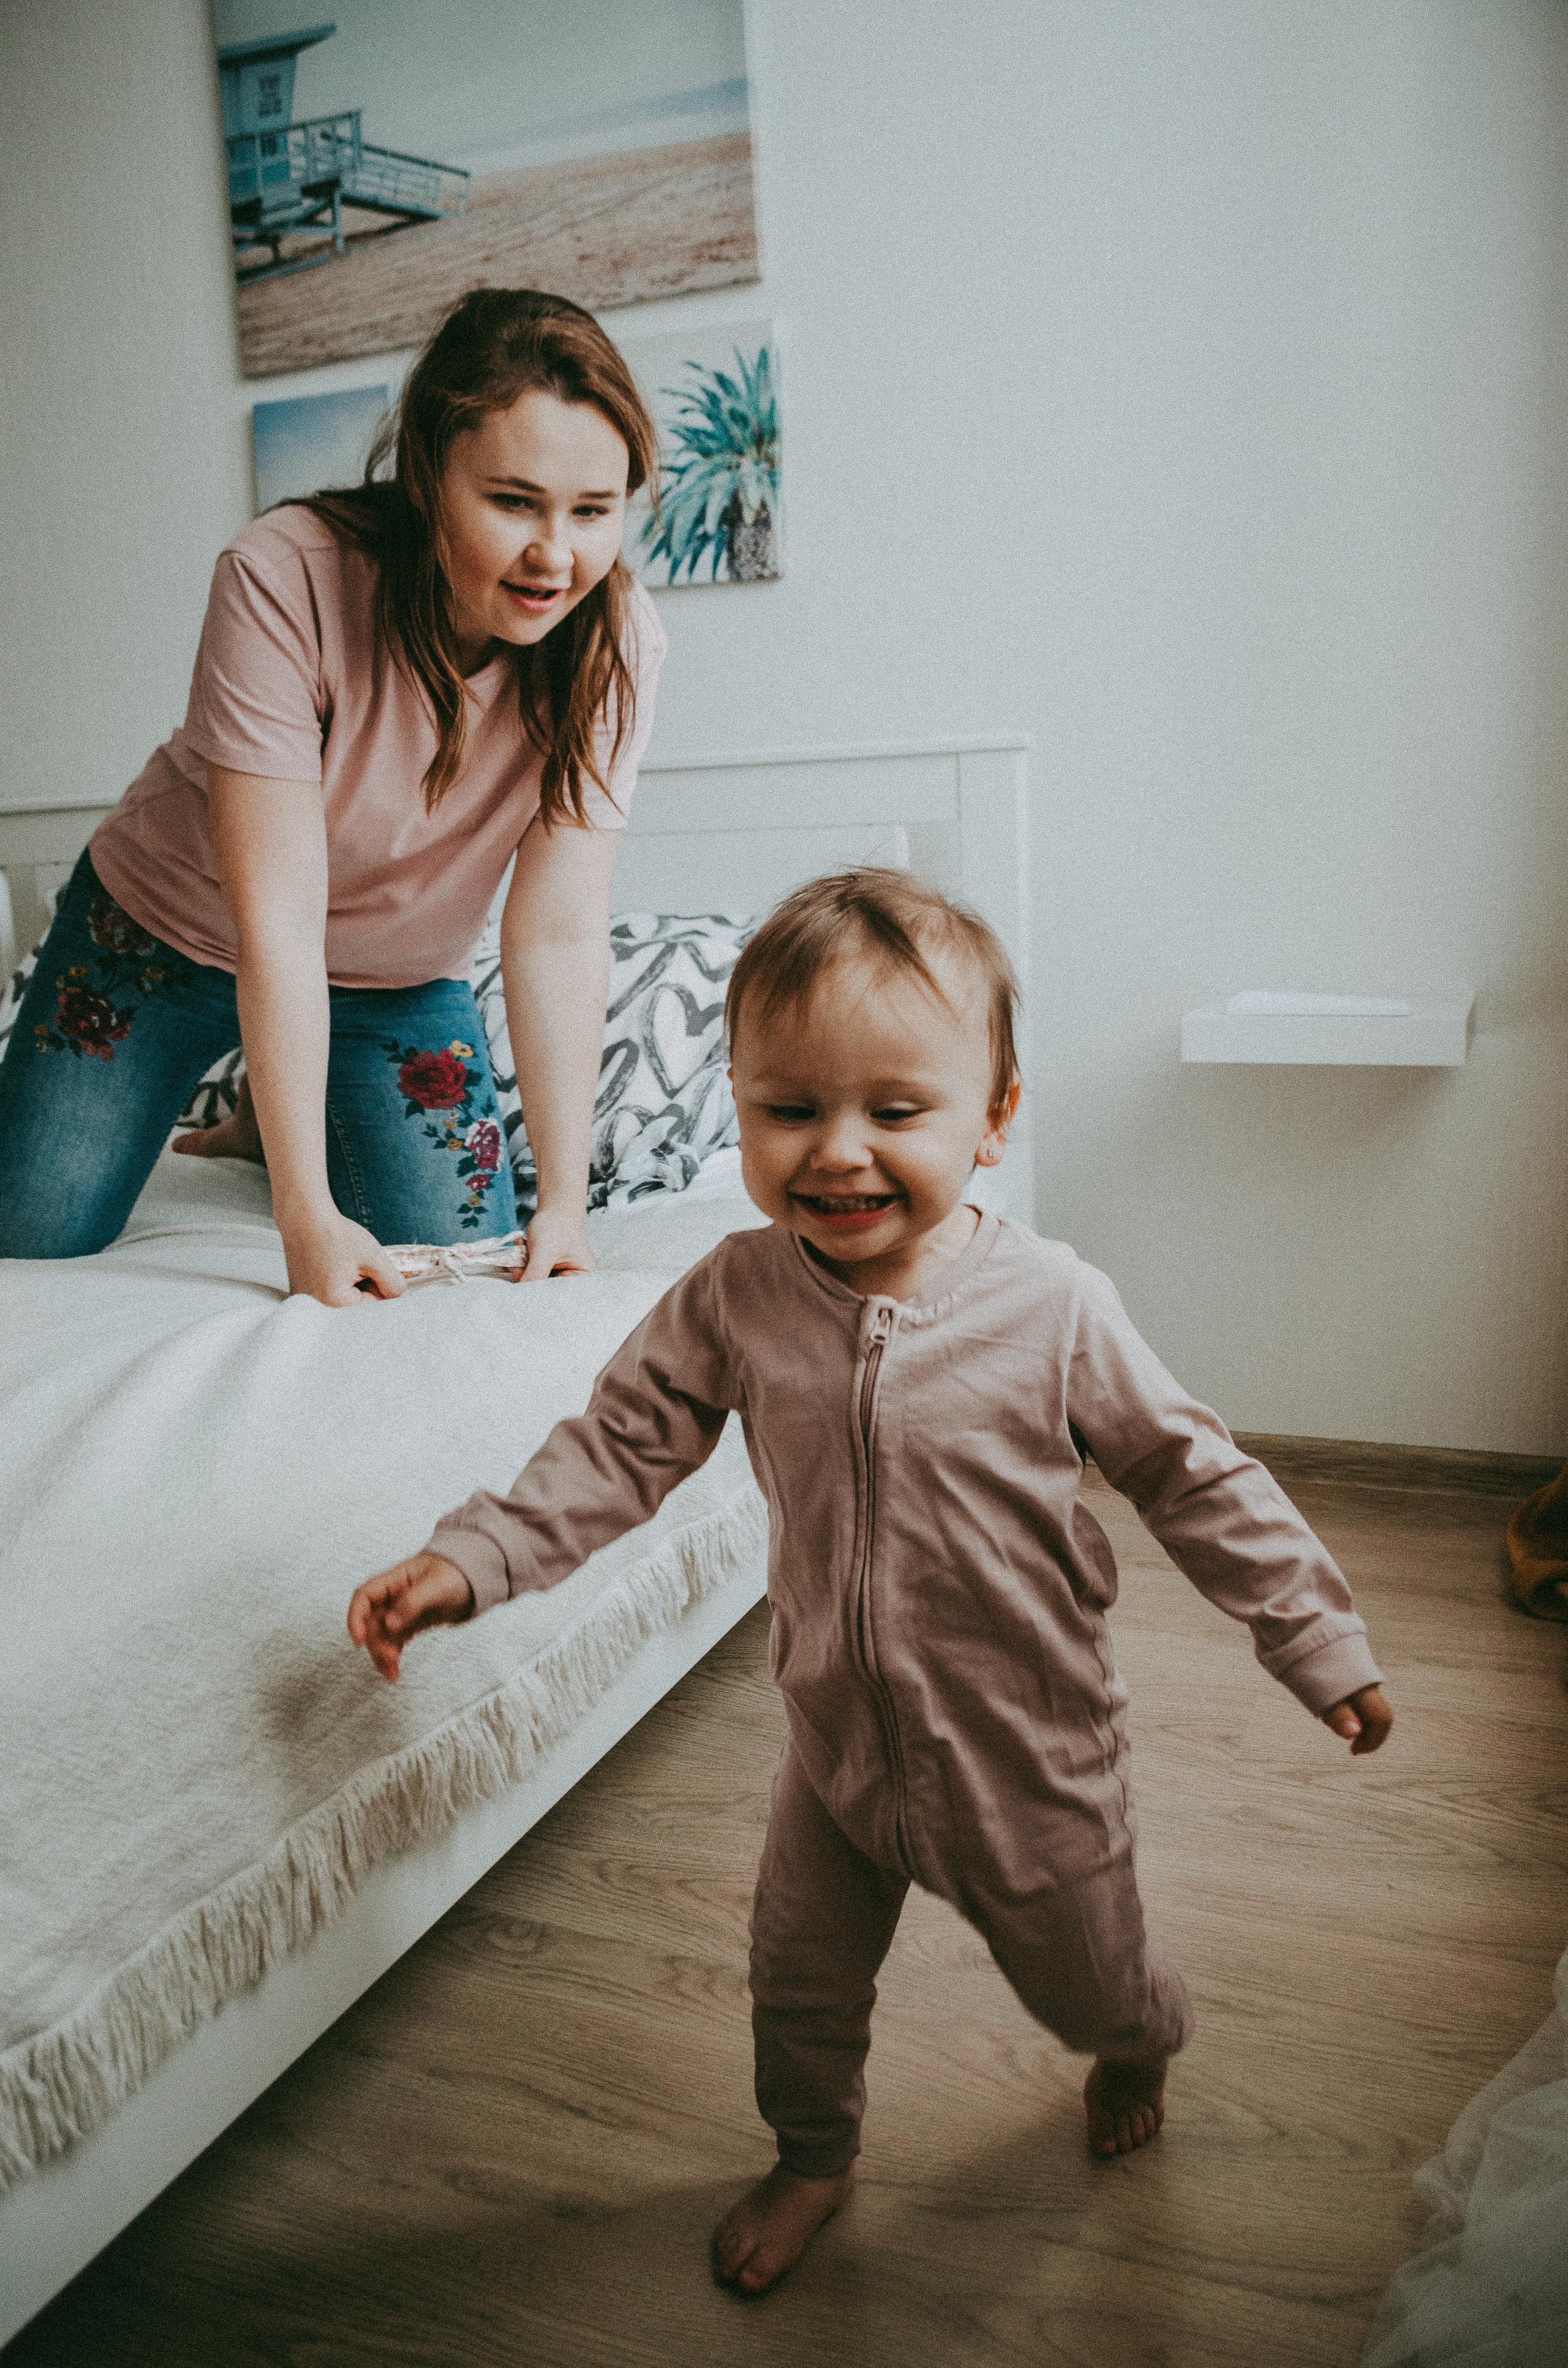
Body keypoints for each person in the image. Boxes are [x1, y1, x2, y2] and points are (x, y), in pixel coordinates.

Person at [345, 868, 1395, 2293]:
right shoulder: (732, 1293)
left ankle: (1138, 2033)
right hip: (834, 1749)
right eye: (789, 1109)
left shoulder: (1052, 1304)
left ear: (994, 1114)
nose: (836, 1153)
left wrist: (1314, 1636)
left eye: (894, 1111)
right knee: (794, 1982)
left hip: (1030, 1755)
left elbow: (1192, 1475)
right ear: (737, 1103)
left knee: (1083, 1978)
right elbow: (617, 1444)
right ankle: (814, 2152)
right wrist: (471, 1558)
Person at [0, 289, 664, 1303]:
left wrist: (563, 1202)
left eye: (592, 510)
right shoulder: (283, 576)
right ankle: (272, 1121)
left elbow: (559, 931)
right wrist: (305, 1218)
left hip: (392, 978)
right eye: (514, 502)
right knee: (32, 1231)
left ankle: (268, 1123)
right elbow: (278, 918)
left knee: (455, 1257)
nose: (555, 555)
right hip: (163, 931)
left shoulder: (618, 646)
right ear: (430, 477)